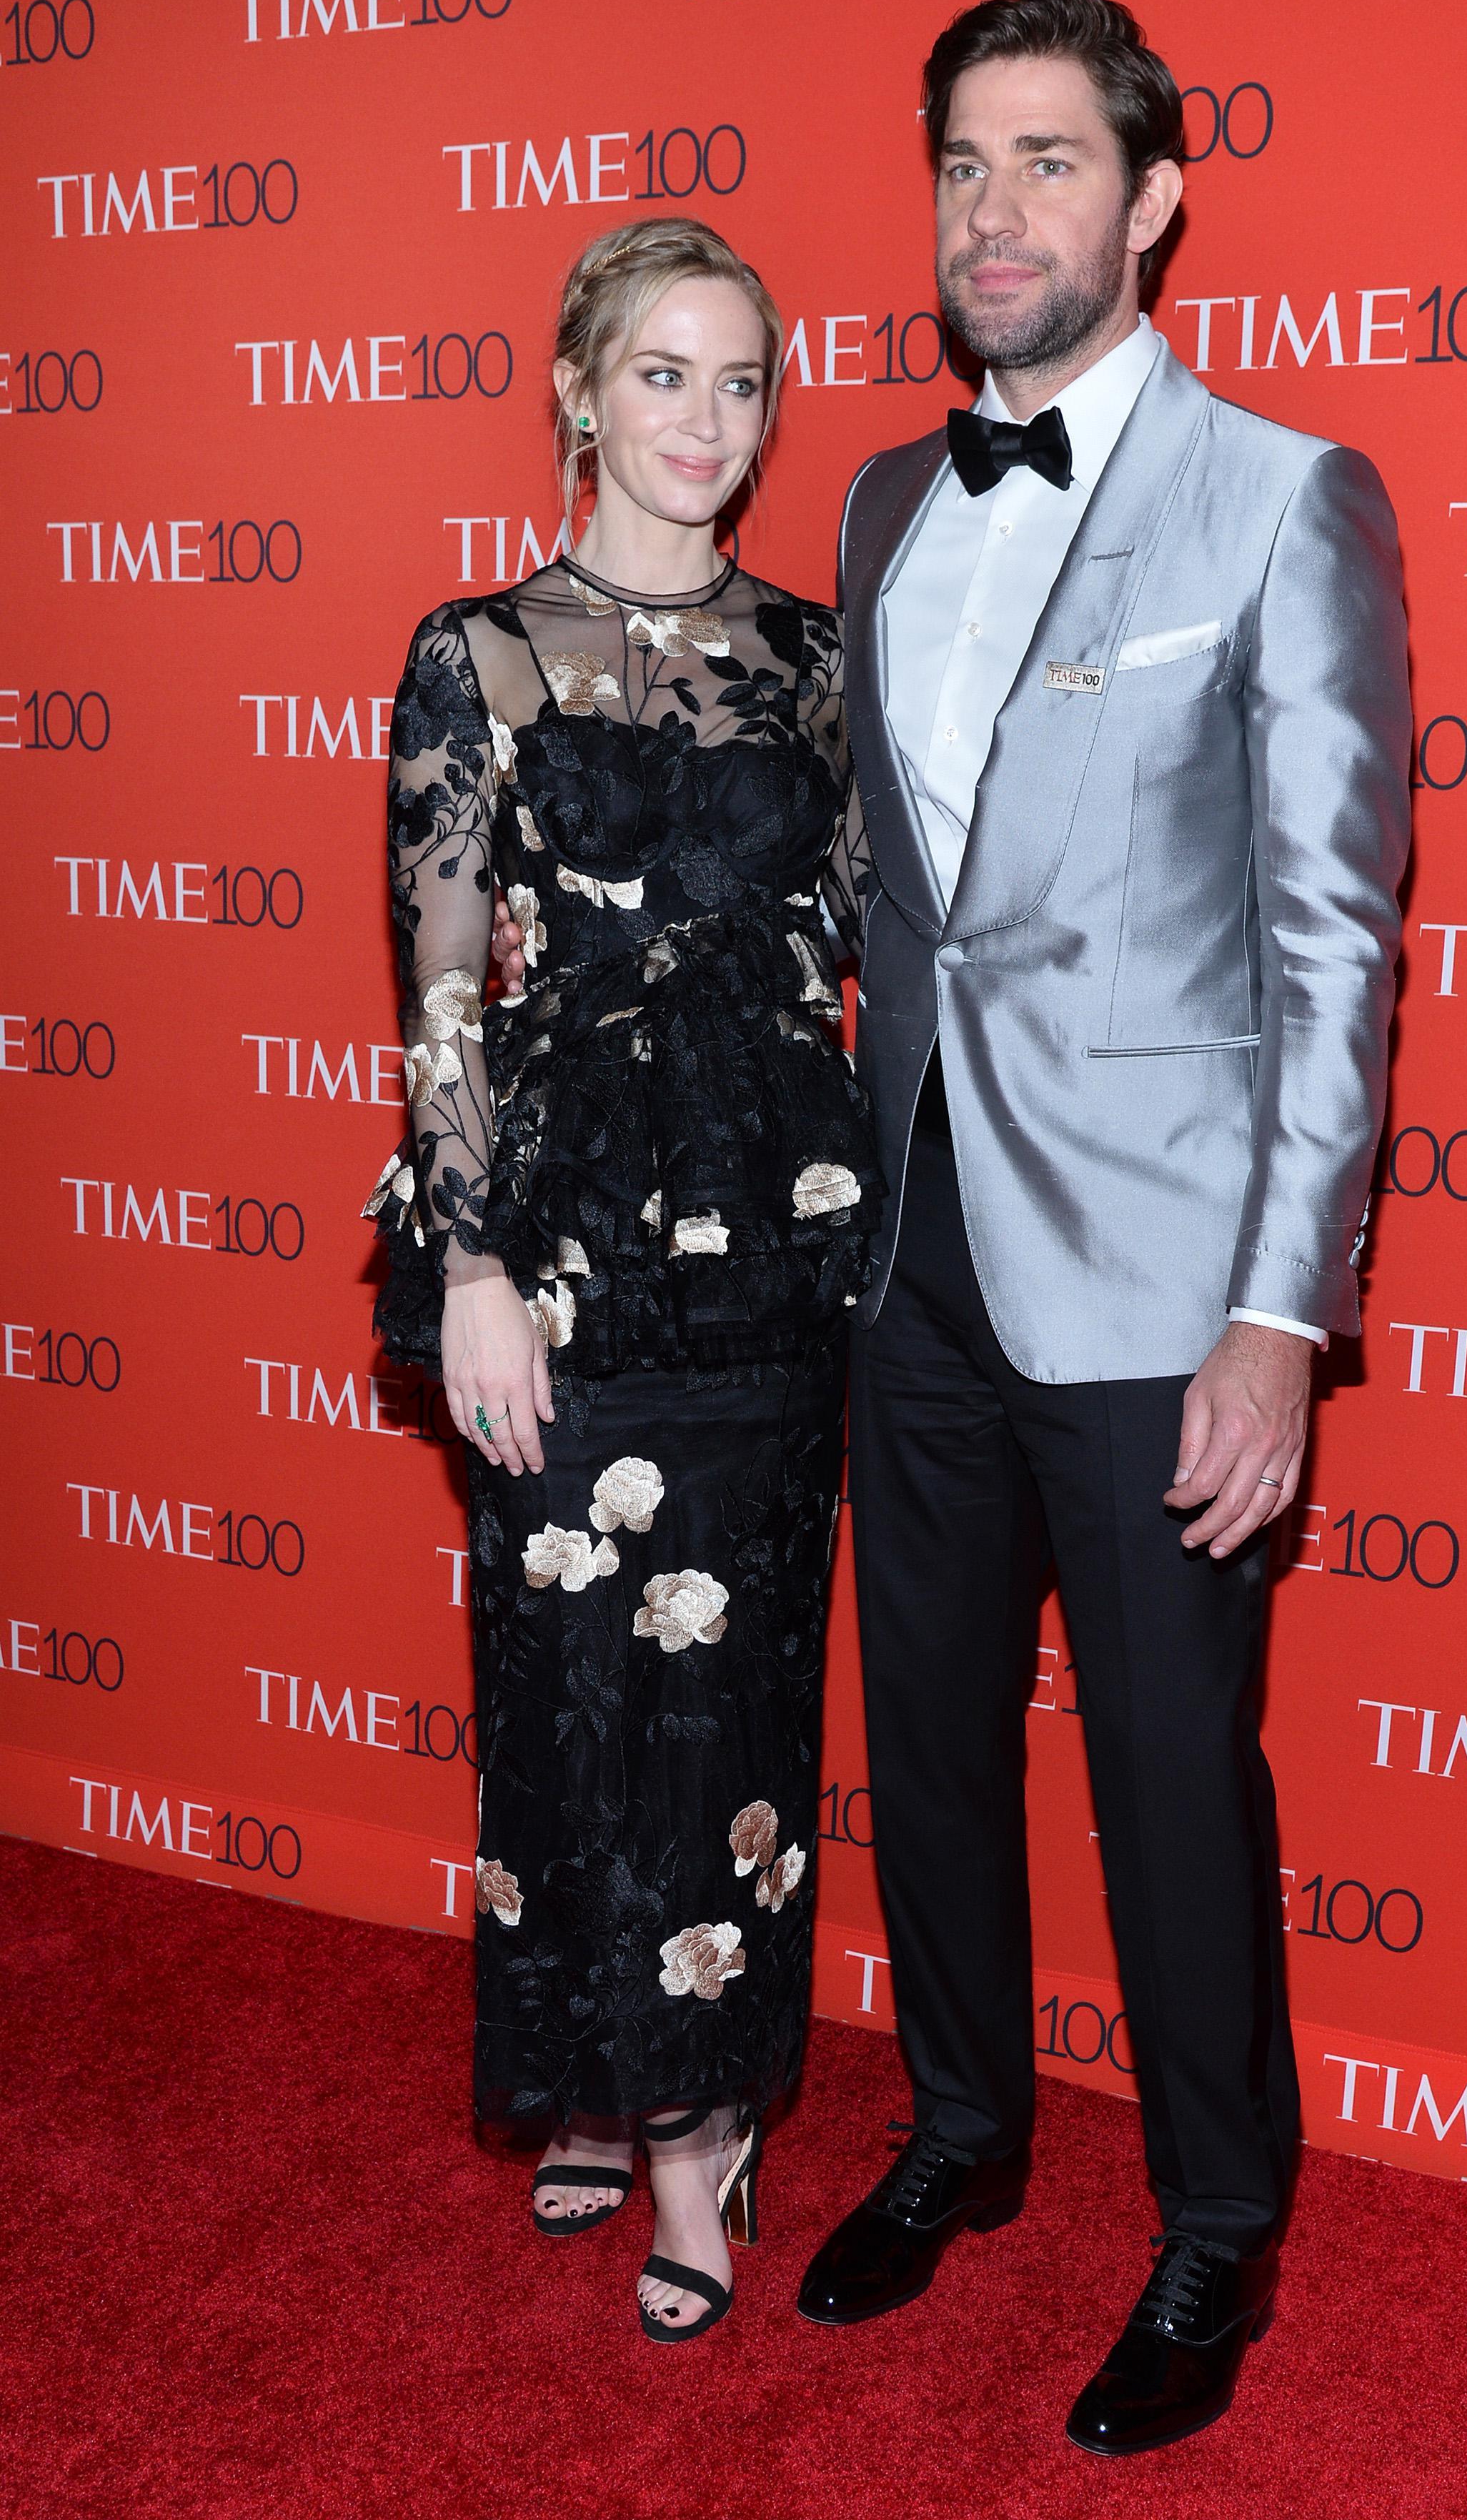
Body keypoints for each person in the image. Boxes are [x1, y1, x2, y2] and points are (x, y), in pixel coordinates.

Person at [797, 0, 1408, 2456]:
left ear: (1151, 199)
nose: (995, 210)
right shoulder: (878, 503)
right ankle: (963, 2128)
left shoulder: (1284, 495)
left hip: (1164, 1275)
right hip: (918, 1241)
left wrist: (1280, 1313)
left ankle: (1220, 2226)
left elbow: (1333, 944)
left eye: (1047, 160)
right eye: (964, 162)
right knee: (928, 1741)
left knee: (1169, 1770)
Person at [367, 216, 877, 2343]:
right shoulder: (477, 653)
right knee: (567, 1688)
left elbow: (874, 944)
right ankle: (604, 2056)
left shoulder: (819, 659)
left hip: (772, 1237)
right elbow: (442, 996)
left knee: (729, 1692)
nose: (705, 418)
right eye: (663, 373)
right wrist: (472, 1263)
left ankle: (698, 2129)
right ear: (581, 391)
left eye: (741, 380)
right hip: (563, 1245)